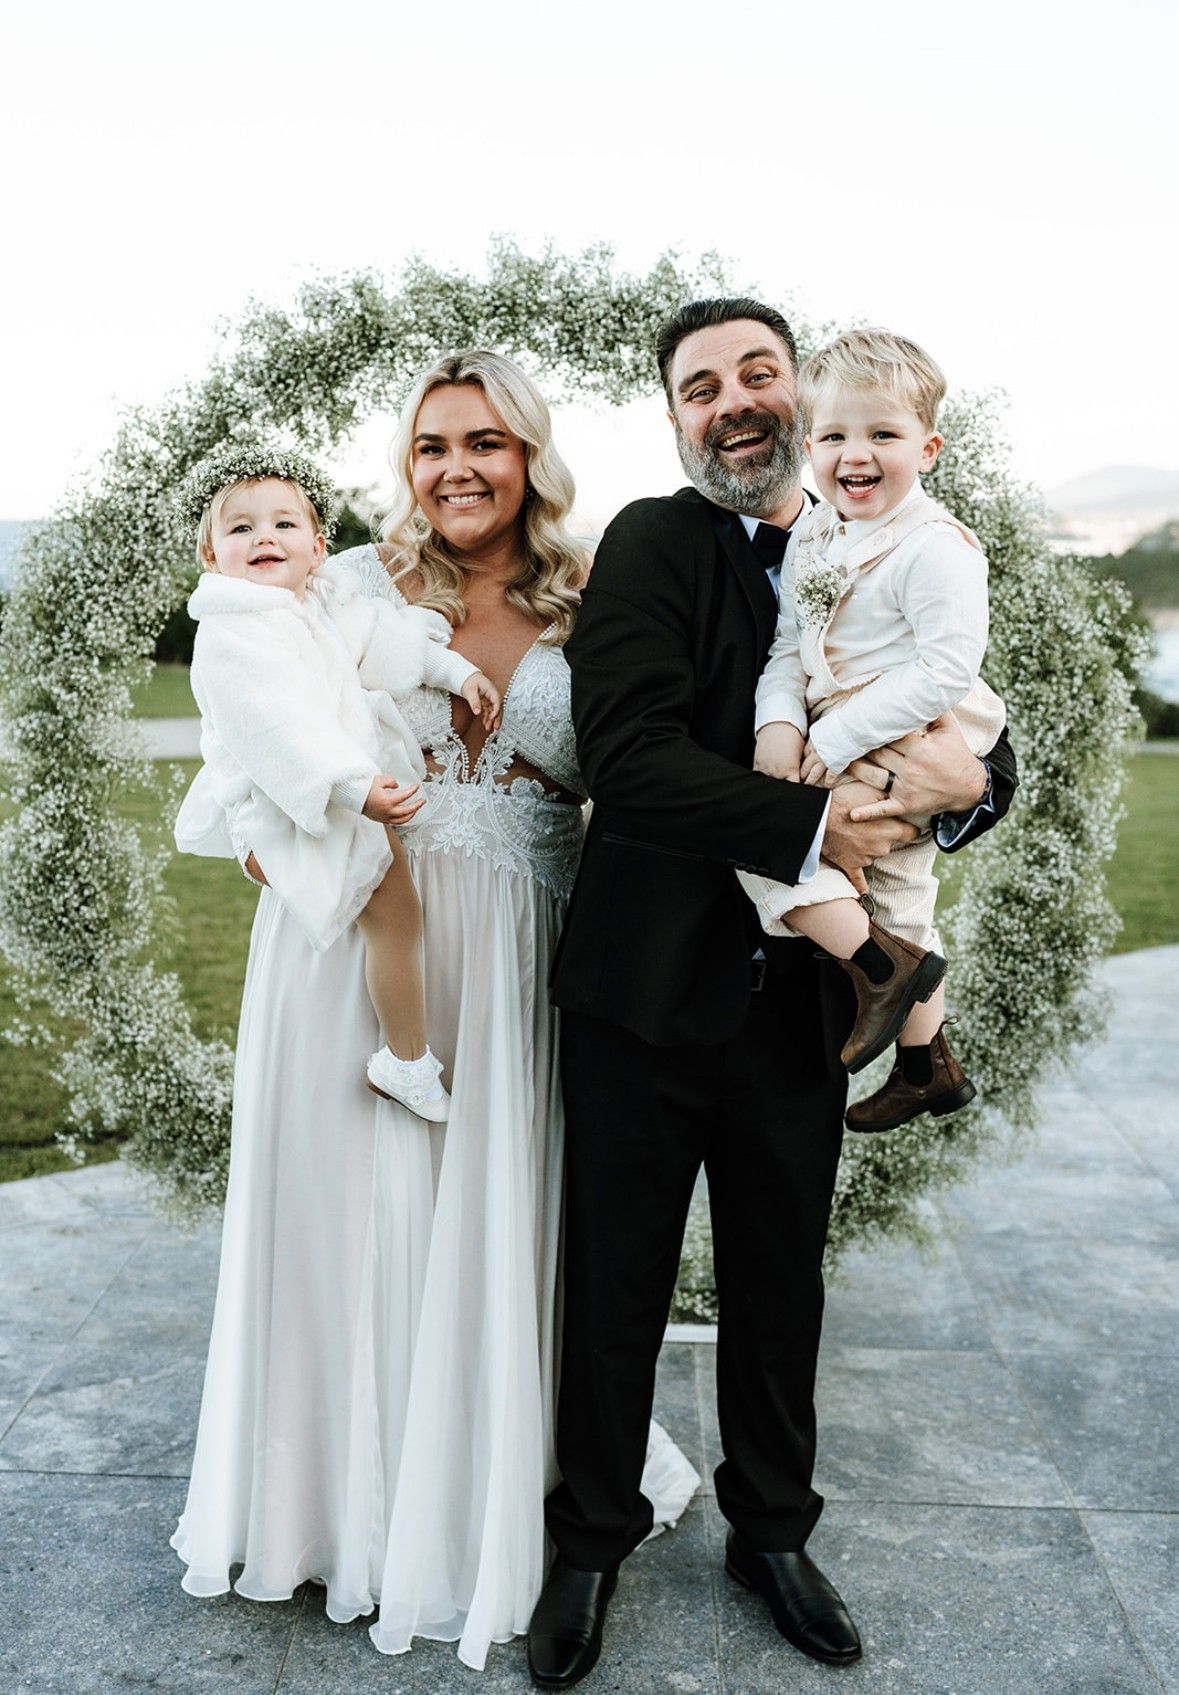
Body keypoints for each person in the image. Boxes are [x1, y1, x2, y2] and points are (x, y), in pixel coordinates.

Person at [171, 352, 697, 1672]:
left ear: (530, 455)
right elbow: (243, 719)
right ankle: (330, 1511)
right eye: (431, 445)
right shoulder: (341, 579)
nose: (456, 468)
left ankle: (482, 1503)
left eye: (485, 442)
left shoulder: (597, 594)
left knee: (491, 1215)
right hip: (353, 943)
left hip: (522, 953)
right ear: (407, 462)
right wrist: (263, 837)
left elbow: (660, 763)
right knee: (346, 1216)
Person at [531, 298, 1018, 1690]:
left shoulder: (883, 531)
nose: (734, 400)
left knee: (777, 1285)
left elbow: (965, 719)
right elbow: (629, 758)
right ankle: (589, 1540)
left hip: (805, 1001)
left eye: (758, 373)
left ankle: (773, 1533)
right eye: (702, 386)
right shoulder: (650, 540)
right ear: (674, 418)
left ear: (801, 396)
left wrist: (975, 785)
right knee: (613, 1283)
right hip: (642, 991)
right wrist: (811, 820)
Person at [174, 442, 500, 1122]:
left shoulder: (320, 601)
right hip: (285, 804)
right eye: (241, 528)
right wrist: (355, 787)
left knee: (396, 913)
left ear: (317, 546)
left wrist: (456, 672)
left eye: (283, 523)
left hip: (333, 795)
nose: (264, 537)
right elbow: (278, 730)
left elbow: (387, 643)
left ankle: (403, 1055)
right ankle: (406, 1061)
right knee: (393, 911)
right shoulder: (232, 633)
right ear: (211, 554)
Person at [739, 327, 1006, 1129]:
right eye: (833, 437)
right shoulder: (815, 534)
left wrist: (832, 741)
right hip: (846, 727)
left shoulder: (936, 548)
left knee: (765, 843)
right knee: (898, 897)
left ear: (927, 448)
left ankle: (877, 968)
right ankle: (927, 1067)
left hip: (910, 734)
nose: (855, 455)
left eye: (882, 434)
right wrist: (777, 725)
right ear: (807, 447)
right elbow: (789, 645)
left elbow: (945, 669)